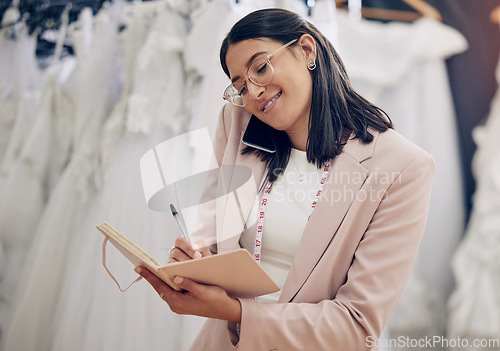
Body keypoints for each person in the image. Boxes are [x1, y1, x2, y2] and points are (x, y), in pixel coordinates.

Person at [134, 8, 435, 351]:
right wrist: (194, 263)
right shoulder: (238, 124)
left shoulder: (401, 168)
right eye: (241, 86)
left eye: (261, 67)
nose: (254, 92)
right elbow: (217, 243)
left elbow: (357, 325)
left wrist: (236, 312)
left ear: (307, 50)